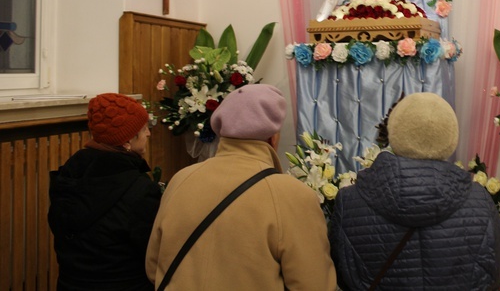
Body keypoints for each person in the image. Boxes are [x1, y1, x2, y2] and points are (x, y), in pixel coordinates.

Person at [146, 84, 337, 290]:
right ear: (273, 138)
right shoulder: (292, 195)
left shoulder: (181, 179)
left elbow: (153, 267)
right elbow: (314, 283)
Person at [329, 92, 500, 290]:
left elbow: (341, 271)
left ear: (393, 131)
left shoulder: (349, 200)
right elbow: (494, 271)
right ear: (451, 136)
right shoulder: (480, 201)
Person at [48, 93, 161, 291]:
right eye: (143, 129)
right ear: (126, 142)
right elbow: (153, 252)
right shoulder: (138, 189)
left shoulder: (68, 173)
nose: (148, 134)